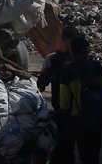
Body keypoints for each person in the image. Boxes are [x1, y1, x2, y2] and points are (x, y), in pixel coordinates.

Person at [58, 36, 102, 164]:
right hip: (96, 115)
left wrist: (65, 121)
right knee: (95, 151)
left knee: (84, 153)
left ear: (72, 50)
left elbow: (65, 101)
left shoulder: (67, 71)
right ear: (86, 50)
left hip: (78, 117)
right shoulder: (96, 66)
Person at [38, 26, 81, 164]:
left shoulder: (80, 60)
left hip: (76, 109)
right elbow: (42, 83)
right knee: (63, 143)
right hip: (63, 109)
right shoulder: (53, 59)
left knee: (67, 143)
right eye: (70, 39)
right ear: (64, 39)